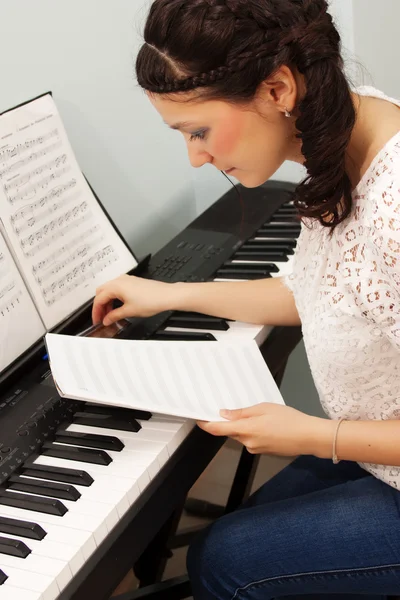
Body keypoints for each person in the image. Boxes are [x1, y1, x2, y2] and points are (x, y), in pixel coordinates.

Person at [93, 0, 400, 598]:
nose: (196, 156)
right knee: (235, 532)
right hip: (377, 448)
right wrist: (172, 292)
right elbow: (327, 291)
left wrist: (315, 435)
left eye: (198, 131)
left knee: (227, 560)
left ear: (278, 88)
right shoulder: (343, 120)